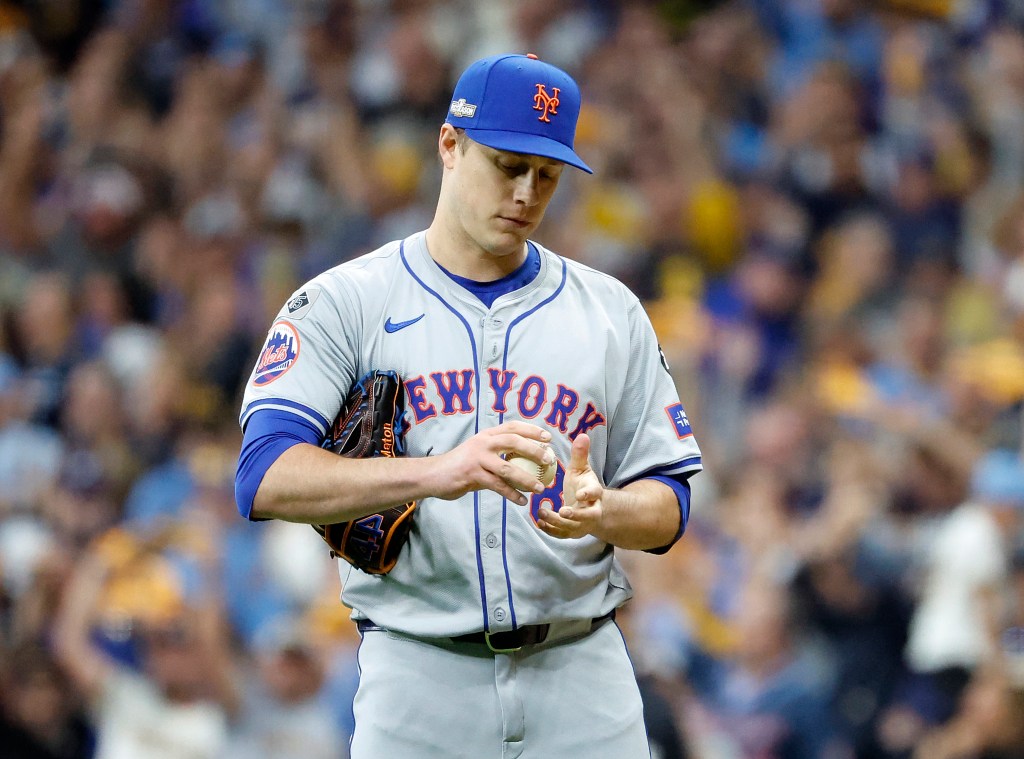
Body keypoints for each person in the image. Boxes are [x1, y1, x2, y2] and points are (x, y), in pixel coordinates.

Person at [234, 52, 702, 758]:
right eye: (507, 165)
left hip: (582, 673)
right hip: (417, 675)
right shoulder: (346, 302)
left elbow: (670, 502)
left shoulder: (611, 312)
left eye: (546, 175)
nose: (525, 193)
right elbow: (262, 477)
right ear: (449, 146)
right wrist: (435, 472)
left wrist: (604, 511)